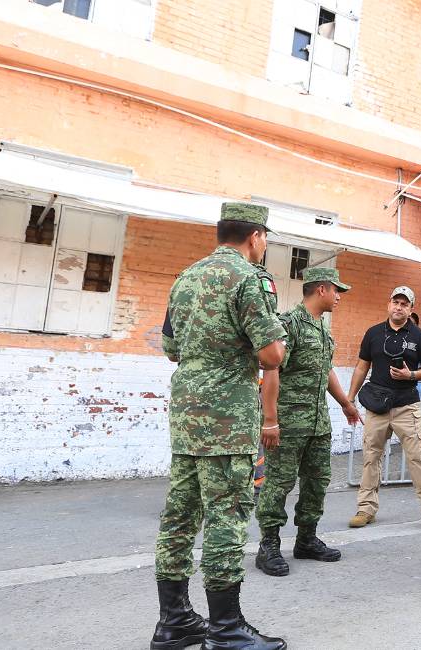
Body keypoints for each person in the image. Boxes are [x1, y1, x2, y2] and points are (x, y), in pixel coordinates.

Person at [153, 202, 287, 650]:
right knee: (226, 518)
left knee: (179, 518)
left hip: (188, 417)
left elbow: (171, 347)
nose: (264, 244)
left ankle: (174, 623)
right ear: (255, 237)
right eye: (265, 237)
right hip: (228, 420)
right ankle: (226, 629)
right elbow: (271, 356)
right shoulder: (251, 279)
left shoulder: (185, 278)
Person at [255, 268, 360, 577]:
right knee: (279, 483)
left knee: (317, 482)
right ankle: (269, 545)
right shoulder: (289, 325)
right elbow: (271, 370)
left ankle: (306, 539)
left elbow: (325, 370)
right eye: (336, 290)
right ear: (322, 290)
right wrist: (270, 420)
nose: (339, 296)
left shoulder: (322, 329)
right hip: (288, 423)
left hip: (317, 424)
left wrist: (345, 403)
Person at [347, 286, 421, 531]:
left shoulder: (418, 336)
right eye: (395, 302)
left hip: (406, 406)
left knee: (418, 458)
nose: (399, 307)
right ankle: (365, 509)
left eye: (404, 304)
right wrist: (349, 398)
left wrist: (410, 374)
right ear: (389, 304)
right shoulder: (373, 333)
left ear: (411, 309)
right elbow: (361, 367)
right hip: (377, 406)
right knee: (371, 457)